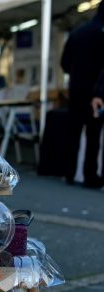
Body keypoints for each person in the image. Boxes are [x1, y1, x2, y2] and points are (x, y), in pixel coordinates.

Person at [61, 1, 104, 188]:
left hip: (76, 90)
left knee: (73, 133)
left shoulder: (78, 31)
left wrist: (77, 75)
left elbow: (64, 62)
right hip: (97, 93)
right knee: (93, 135)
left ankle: (69, 173)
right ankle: (90, 176)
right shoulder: (102, 33)